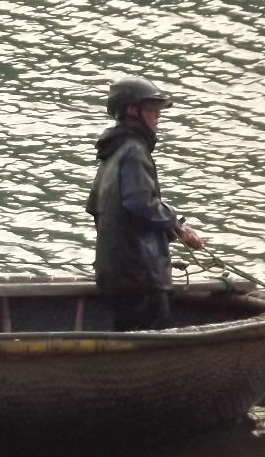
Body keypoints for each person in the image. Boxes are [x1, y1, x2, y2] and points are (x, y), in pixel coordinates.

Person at [86, 76, 204, 331]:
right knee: (152, 338)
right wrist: (176, 222)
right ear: (132, 111)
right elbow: (141, 204)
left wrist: (173, 227)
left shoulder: (111, 152)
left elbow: (98, 208)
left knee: (127, 338)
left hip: (115, 275)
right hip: (140, 277)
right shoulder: (134, 151)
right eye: (152, 110)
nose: (158, 117)